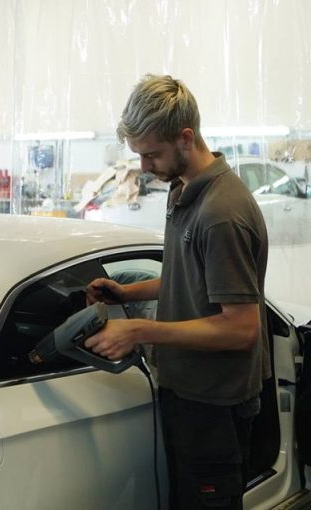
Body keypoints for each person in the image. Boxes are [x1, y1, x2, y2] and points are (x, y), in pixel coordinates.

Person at [84, 74, 270, 510]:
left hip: (214, 404)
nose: (144, 167)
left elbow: (241, 328)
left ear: (186, 138)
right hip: (186, 393)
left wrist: (139, 332)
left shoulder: (222, 213)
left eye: (151, 154)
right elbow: (191, 277)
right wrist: (126, 295)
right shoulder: (183, 190)